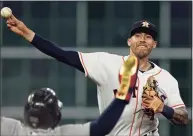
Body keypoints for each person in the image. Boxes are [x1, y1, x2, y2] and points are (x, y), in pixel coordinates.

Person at [4, 12, 189, 136]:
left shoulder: (166, 79)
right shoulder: (107, 63)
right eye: (138, 35)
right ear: (129, 41)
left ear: (154, 44)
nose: (143, 39)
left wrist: (165, 108)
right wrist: (27, 33)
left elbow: (184, 118)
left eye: (148, 36)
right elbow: (63, 55)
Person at [1, 55, 139, 136]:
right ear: (55, 115)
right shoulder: (60, 134)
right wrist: (123, 95)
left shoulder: (12, 130)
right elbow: (101, 127)